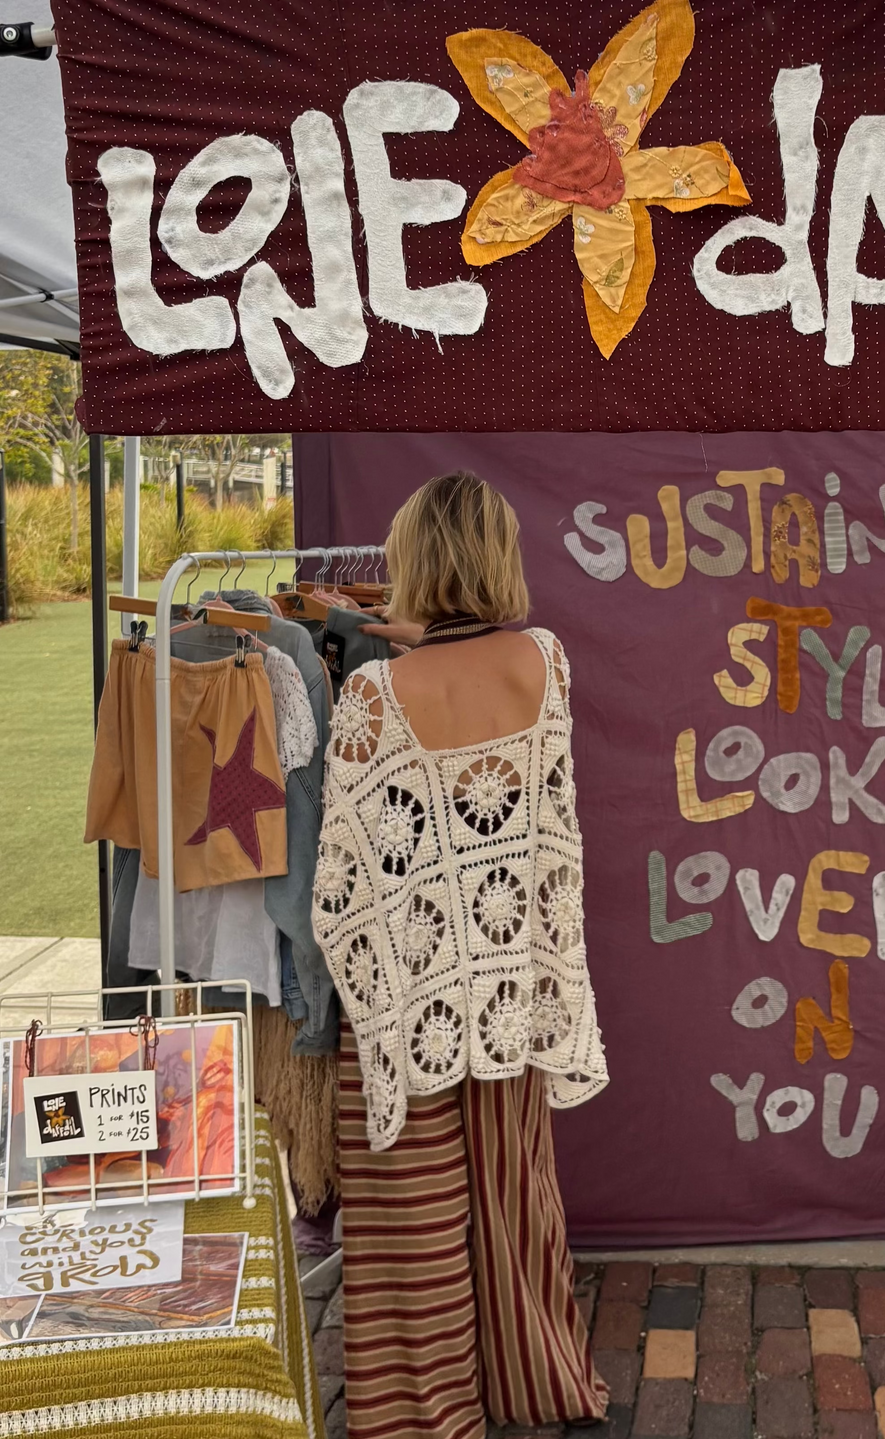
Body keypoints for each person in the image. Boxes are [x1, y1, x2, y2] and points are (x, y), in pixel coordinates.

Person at [313, 471, 609, 1439]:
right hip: (512, 989)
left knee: (413, 1224)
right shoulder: (546, 661)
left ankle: (425, 1409)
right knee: (511, 1195)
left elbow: (346, 890)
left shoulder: (369, 696)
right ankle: (533, 1377)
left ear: (416, 562)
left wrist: (384, 646)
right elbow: (470, 683)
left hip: (413, 997)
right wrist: (409, 639)